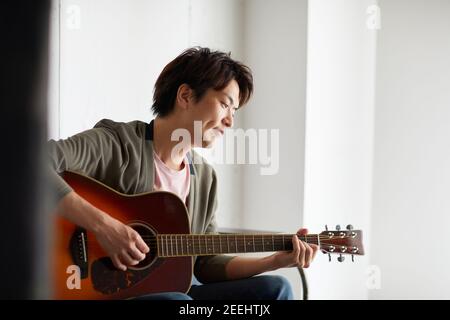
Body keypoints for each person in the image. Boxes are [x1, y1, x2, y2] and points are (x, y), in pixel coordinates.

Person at [48, 47, 319, 300]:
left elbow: (205, 263)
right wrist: (103, 226)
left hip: (176, 294)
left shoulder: (205, 178)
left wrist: (273, 261)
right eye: (225, 104)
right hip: (109, 290)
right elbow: (29, 163)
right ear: (186, 96)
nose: (230, 121)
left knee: (276, 289)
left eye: (234, 111)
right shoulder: (115, 143)